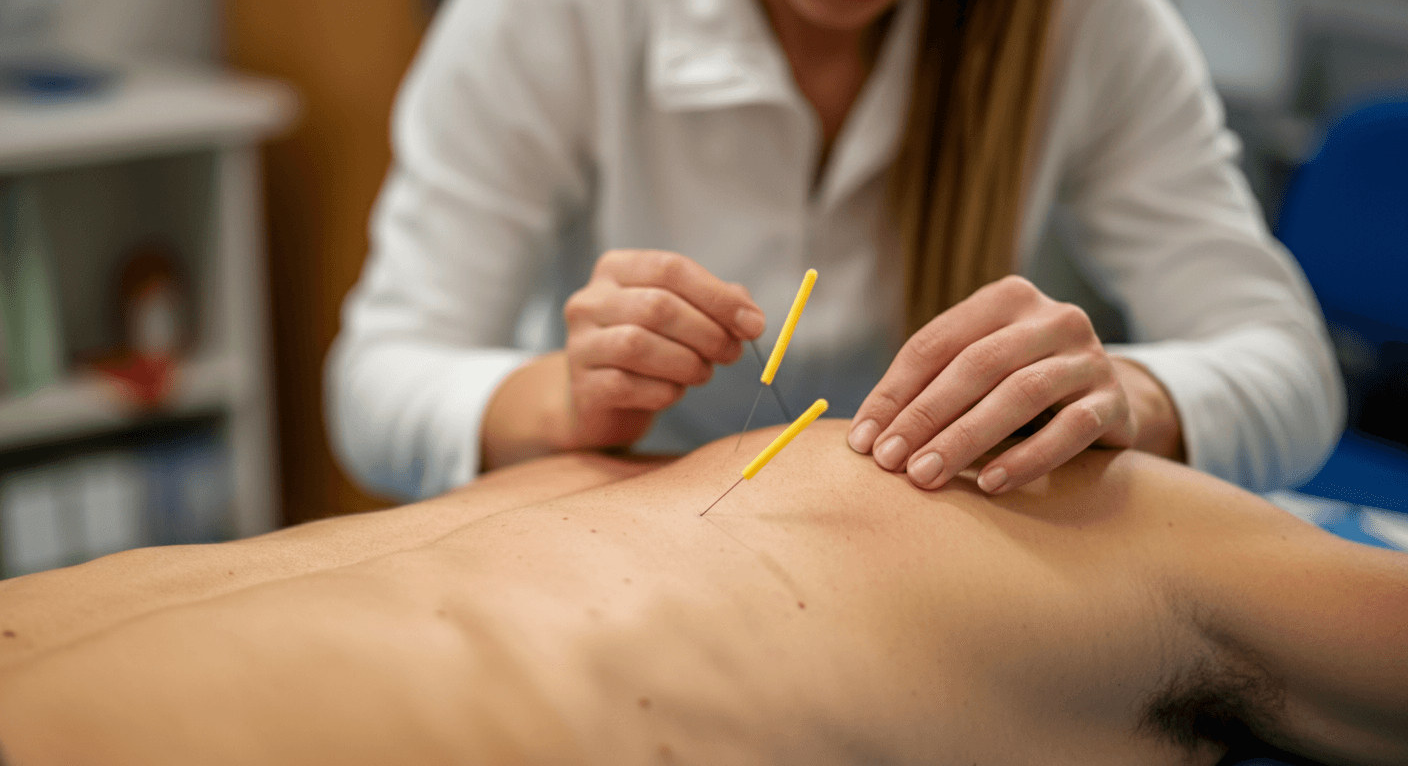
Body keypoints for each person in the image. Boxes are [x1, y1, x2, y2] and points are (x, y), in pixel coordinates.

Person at [327, 0, 1343, 501]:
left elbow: (1288, 369)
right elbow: (375, 383)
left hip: (921, 574)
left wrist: (1124, 396)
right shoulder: (549, 17)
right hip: (633, 546)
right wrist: (559, 402)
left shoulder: (1081, 24)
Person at [1, 421, 1405, 765]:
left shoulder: (579, 476)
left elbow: (1259, 347)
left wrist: (1159, 395)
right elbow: (396, 360)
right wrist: (538, 392)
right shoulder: (1121, 527)